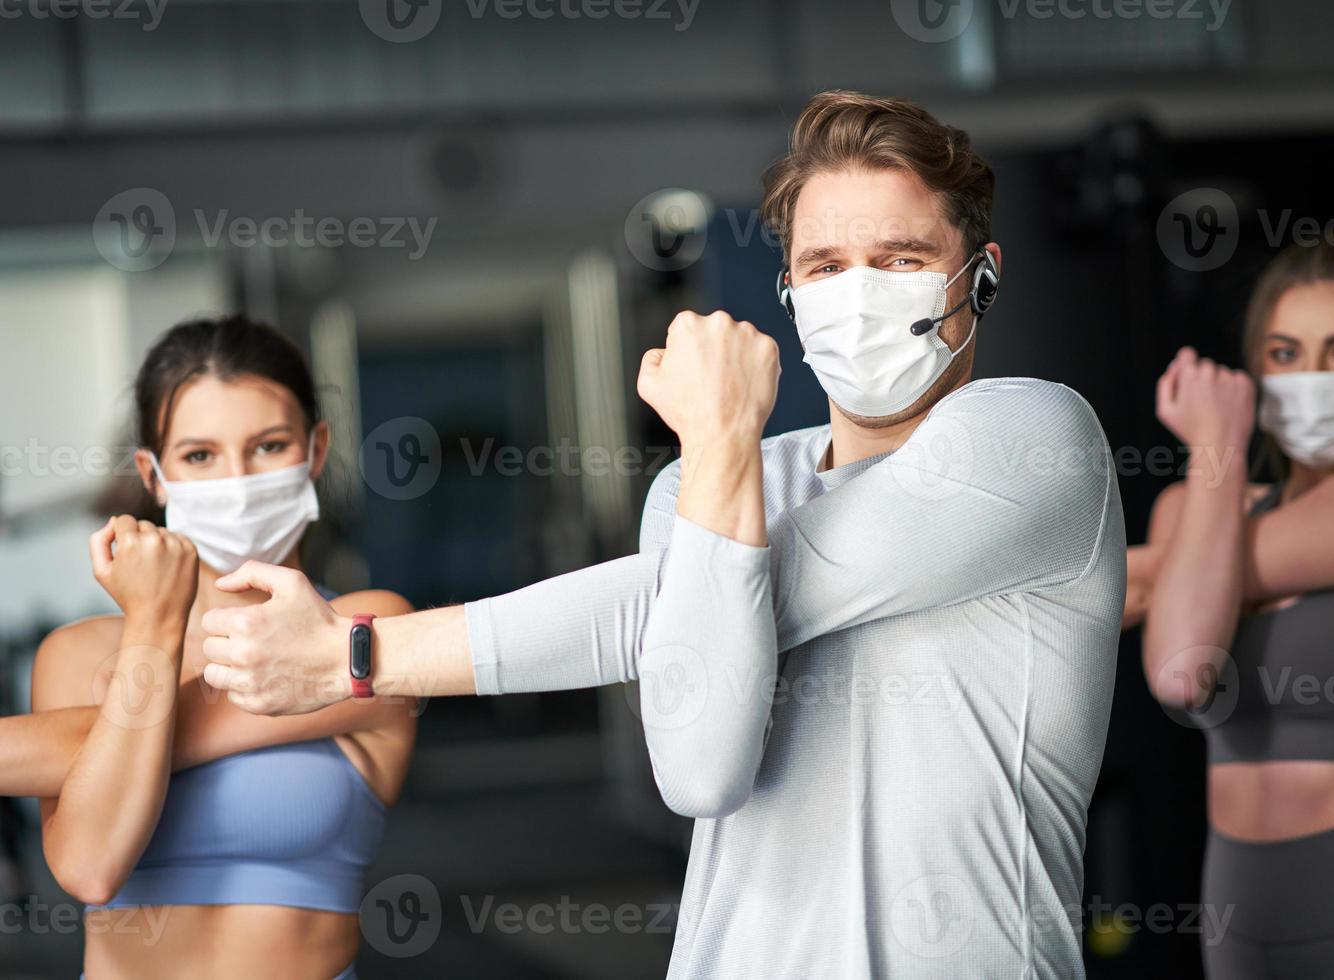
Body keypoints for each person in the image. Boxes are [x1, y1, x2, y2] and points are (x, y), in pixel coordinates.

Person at [199, 91, 1125, 978]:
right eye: (825, 266)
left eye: (901, 259)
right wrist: (723, 459)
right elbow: (699, 768)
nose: (859, 292)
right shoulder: (712, 482)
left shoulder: (1037, 440)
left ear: (985, 274)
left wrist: (356, 654)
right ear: (791, 294)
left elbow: (684, 598)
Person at [6, 316, 417, 980]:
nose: (237, 480)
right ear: (154, 474)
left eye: (268, 446)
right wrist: (154, 627)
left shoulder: (365, 629)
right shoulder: (75, 655)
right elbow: (89, 867)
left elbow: (151, 732)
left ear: (314, 452)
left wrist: (79, 737)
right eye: (199, 455)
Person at [1129, 229, 1334, 977]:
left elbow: (1181, 668)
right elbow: (1182, 665)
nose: (1311, 377)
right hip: (1240, 923)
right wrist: (1188, 545)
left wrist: (1214, 446)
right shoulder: (1197, 511)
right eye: (1285, 354)